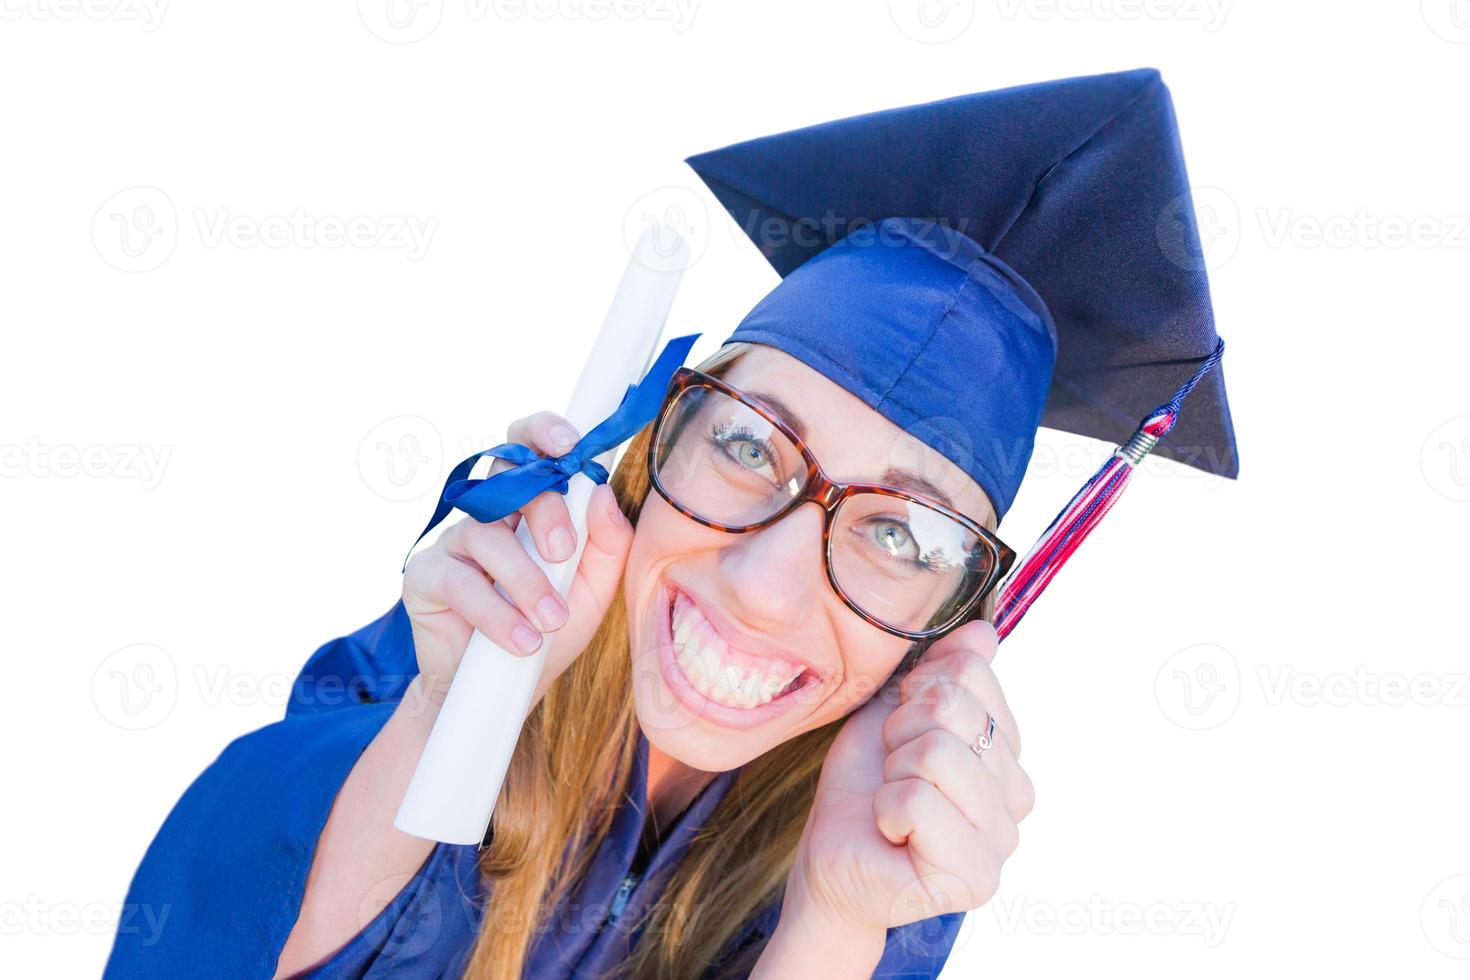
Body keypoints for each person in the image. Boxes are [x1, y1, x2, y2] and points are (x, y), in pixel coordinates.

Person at [105, 66, 1236, 979]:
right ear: (651, 439)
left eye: (903, 535)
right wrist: (445, 719)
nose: (765, 582)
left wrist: (835, 918)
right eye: (749, 443)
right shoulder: (459, 644)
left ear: (953, 623)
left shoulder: (894, 857)